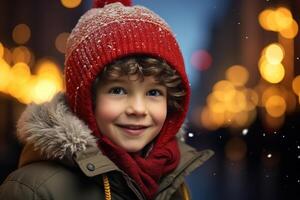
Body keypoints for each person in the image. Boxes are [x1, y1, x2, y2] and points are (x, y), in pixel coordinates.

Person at [0, 0, 214, 199]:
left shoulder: (171, 178)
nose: (138, 109)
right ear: (86, 100)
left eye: (153, 93)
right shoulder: (32, 190)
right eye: (118, 90)